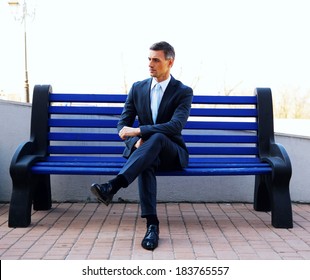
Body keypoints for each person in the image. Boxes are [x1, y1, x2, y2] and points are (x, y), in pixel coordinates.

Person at [91, 41, 193, 250]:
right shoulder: (138, 88)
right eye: (149, 59)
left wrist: (139, 131)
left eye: (156, 60)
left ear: (170, 62)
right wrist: (135, 141)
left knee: (155, 139)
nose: (150, 64)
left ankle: (114, 185)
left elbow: (175, 126)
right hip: (146, 154)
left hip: (171, 153)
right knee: (147, 157)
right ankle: (152, 226)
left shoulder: (183, 91)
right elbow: (122, 124)